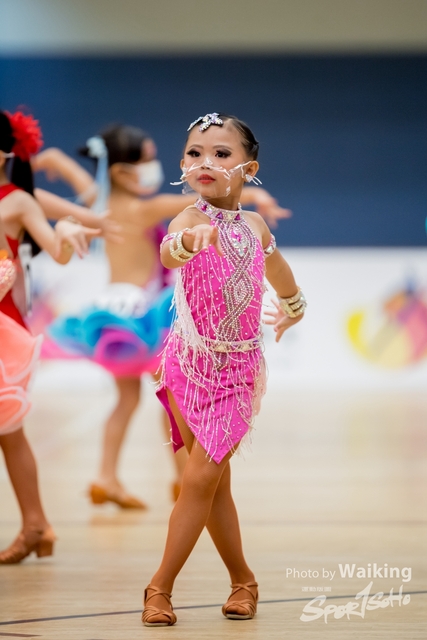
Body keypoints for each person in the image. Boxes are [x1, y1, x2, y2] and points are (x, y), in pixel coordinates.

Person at [33, 124, 291, 508]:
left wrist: (47, 160)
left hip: (111, 312)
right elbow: (201, 203)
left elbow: (73, 172)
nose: (154, 166)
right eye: (148, 159)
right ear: (124, 172)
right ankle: (183, 476)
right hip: (144, 315)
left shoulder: (99, 201)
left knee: (127, 400)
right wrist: (254, 194)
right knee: (174, 397)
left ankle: (106, 476)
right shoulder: (142, 208)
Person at [142, 113, 306, 626]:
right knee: (213, 485)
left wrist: (294, 306)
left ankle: (159, 587)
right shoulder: (187, 220)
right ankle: (243, 580)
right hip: (187, 365)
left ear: (248, 168)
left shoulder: (255, 226)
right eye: (194, 153)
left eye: (220, 153)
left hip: (236, 373)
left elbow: (278, 270)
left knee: (199, 479)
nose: (205, 161)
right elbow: (169, 254)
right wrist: (188, 244)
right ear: (182, 165)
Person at [0, 109, 100, 564]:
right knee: (9, 435)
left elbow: (57, 252)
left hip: (5, 331)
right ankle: (36, 523)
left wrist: (65, 228)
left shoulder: (17, 201)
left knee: (10, 431)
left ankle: (36, 523)